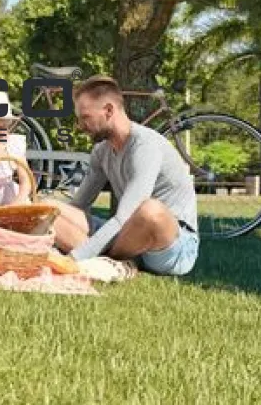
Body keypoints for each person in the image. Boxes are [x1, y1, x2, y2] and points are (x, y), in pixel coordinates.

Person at [48, 75, 199, 276]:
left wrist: (73, 259)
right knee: (48, 209)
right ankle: (107, 261)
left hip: (173, 246)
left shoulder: (145, 146)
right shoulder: (101, 151)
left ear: (109, 111)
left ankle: (102, 259)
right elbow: (78, 206)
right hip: (126, 237)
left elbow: (125, 216)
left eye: (85, 117)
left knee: (150, 210)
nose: (80, 126)